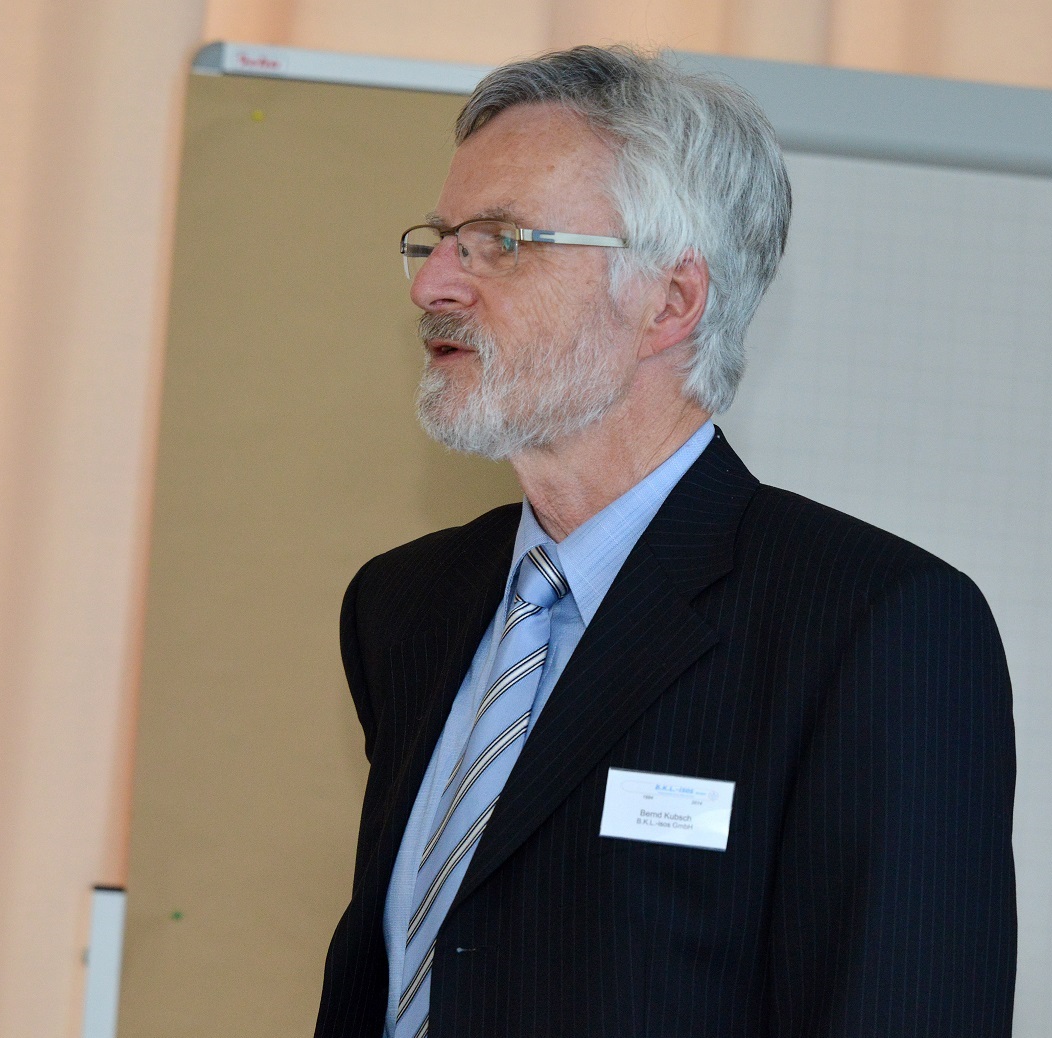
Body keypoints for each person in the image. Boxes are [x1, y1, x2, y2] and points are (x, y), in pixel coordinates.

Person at [314, 46, 1016, 1038]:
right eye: (439, 240)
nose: (434, 284)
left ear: (670, 302)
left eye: (500, 242)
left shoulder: (875, 627)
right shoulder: (404, 606)